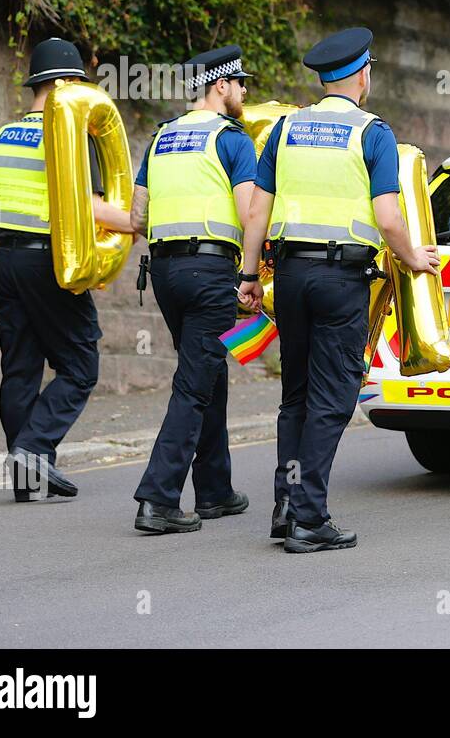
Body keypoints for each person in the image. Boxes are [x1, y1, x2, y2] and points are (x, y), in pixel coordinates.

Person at [237, 27, 440, 553]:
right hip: (340, 281)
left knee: (296, 397)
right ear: (362, 73)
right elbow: (389, 218)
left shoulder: (285, 129)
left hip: (291, 277)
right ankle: (308, 517)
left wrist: (248, 275)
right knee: (331, 399)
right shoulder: (373, 133)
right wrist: (413, 256)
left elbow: (257, 210)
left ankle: (286, 504)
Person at [0, 37, 134, 501]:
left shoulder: (2, 136)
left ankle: (26, 479)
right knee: (80, 365)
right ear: (64, 84)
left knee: (19, 369)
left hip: (5, 262)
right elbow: (92, 208)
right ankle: (34, 449)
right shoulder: (69, 137)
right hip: (50, 262)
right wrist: (141, 222)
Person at [130, 45, 259, 533]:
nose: (246, 92)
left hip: (164, 273)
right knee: (193, 382)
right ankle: (158, 498)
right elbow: (251, 214)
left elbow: (137, 217)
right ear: (220, 86)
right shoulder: (231, 138)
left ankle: (215, 490)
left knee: (206, 372)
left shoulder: (160, 137)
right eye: (240, 83)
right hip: (209, 274)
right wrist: (251, 275)